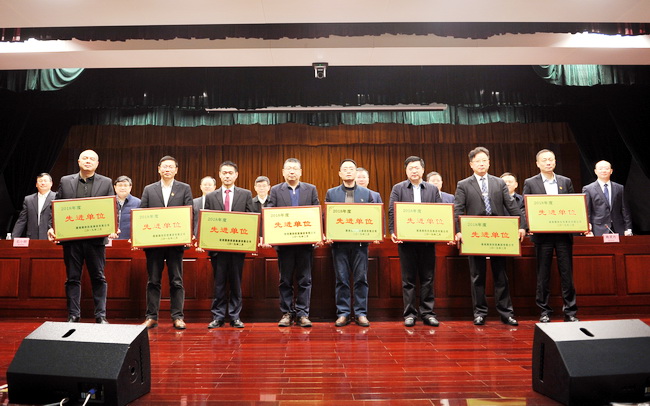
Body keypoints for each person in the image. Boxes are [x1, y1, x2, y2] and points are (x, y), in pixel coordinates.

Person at [453, 147, 525, 326]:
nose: (481, 164)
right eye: (477, 161)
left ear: (489, 162)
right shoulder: (463, 184)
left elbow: (511, 205)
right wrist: (458, 230)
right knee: (477, 276)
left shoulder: (498, 183)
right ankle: (479, 312)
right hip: (474, 234)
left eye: (484, 160)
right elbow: (458, 209)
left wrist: (522, 226)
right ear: (471, 164)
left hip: (497, 234)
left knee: (501, 275)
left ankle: (506, 313)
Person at [47, 150, 115, 324]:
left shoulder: (106, 182)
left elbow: (112, 208)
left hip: (96, 240)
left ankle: (101, 316)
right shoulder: (65, 181)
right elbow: (55, 207)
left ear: (97, 164)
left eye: (92, 159)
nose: (88, 161)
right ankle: (73, 315)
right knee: (72, 278)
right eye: (85, 158)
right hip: (71, 240)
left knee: (98, 277)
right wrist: (52, 227)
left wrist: (113, 227)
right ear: (78, 161)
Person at [523, 149, 579, 323]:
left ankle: (570, 311)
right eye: (544, 160)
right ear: (537, 163)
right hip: (542, 236)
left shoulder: (565, 181)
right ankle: (544, 311)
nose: (548, 162)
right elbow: (525, 207)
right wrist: (529, 225)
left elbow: (574, 205)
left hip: (563, 235)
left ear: (555, 161)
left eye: (551, 159)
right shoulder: (530, 183)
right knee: (543, 274)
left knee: (567, 274)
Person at [140, 155, 193, 330]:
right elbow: (142, 214)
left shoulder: (184, 188)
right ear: (159, 169)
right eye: (164, 166)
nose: (167, 169)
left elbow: (189, 213)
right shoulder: (149, 189)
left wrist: (188, 235)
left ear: (176, 170)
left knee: (176, 281)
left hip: (175, 244)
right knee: (153, 281)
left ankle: (178, 317)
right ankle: (151, 317)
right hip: (154, 244)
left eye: (171, 167)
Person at [388, 156, 442, 327]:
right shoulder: (398, 188)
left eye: (417, 167)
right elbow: (392, 211)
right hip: (406, 242)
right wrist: (392, 231)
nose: (414, 171)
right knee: (408, 279)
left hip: (427, 241)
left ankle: (428, 313)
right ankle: (410, 314)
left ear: (423, 170)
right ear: (406, 171)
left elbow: (440, 212)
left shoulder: (432, 189)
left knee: (428, 278)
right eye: (410, 168)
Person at [267, 158, 320, 328]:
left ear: (300, 172)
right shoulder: (276, 190)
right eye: (288, 168)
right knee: (285, 280)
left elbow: (317, 213)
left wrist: (318, 233)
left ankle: (303, 314)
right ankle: (287, 313)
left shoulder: (310, 189)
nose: (292, 171)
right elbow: (270, 213)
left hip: (305, 244)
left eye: (295, 169)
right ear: (283, 172)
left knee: (305, 279)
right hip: (285, 246)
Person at [325, 159, 375, 327]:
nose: (348, 171)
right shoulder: (331, 193)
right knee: (342, 280)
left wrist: (374, 233)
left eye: (351, 169)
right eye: (345, 169)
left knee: (361, 279)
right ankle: (343, 313)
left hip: (360, 244)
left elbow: (373, 216)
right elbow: (327, 216)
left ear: (356, 172)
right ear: (340, 173)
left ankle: (361, 313)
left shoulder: (367, 194)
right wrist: (327, 233)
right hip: (339, 245)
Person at [204, 161, 254, 329]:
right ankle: (218, 317)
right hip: (217, 249)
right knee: (218, 283)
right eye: (224, 173)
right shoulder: (211, 197)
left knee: (236, 283)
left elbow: (251, 218)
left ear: (236, 175)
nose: (227, 176)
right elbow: (207, 222)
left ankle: (235, 316)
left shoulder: (245, 194)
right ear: (219, 175)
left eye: (230, 173)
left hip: (237, 247)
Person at [582, 160, 633, 237]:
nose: (603, 171)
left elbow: (625, 210)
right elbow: (587, 211)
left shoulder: (619, 188)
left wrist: (628, 228)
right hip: (598, 229)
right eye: (600, 169)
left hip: (618, 228)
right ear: (595, 171)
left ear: (611, 171)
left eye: (606, 168)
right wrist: (588, 230)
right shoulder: (588, 189)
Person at [11, 173, 55, 240]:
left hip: (51, 237)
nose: (43, 183)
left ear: (51, 183)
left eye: (45, 181)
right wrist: (13, 238)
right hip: (32, 238)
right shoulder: (28, 199)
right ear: (36, 184)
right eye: (40, 181)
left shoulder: (57, 198)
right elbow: (22, 220)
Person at [114, 176, 141, 240]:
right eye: (120, 185)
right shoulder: (110, 202)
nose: (122, 188)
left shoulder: (138, 203)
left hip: (129, 240)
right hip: (111, 240)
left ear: (130, 187)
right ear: (115, 187)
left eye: (125, 185)